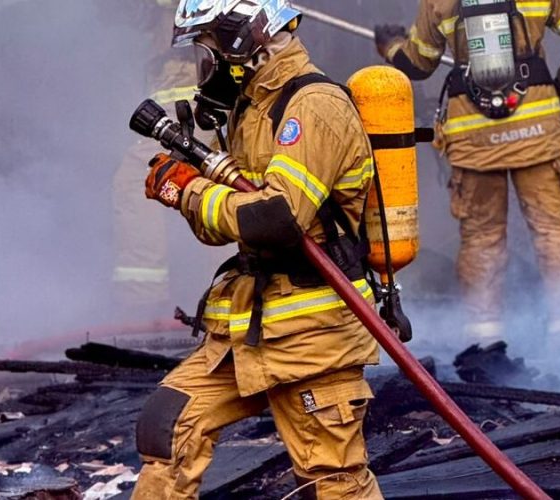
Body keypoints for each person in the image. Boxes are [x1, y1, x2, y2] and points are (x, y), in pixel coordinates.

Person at [131, 1, 382, 498]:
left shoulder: (314, 106)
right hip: (253, 324)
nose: (208, 62)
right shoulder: (252, 110)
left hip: (315, 332)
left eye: (211, 46)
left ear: (244, 40)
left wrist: (190, 192)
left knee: (333, 483)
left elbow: (276, 220)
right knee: (169, 426)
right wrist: (188, 187)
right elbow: (226, 227)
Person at [375, 0, 560, 349]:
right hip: (537, 133)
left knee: (482, 238)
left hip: (473, 137)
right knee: (552, 229)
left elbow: (418, 64)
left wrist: (390, 46)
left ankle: (485, 339)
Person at [112, 0, 208, 314]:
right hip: (186, 70)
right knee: (216, 185)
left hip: (188, 76)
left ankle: (143, 307)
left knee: (139, 180)